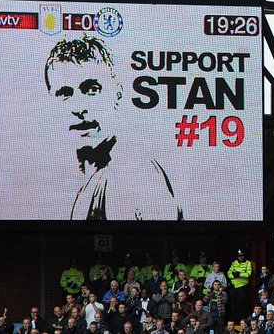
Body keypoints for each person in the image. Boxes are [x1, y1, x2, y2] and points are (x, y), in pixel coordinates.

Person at [44, 36, 182, 220]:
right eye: (64, 93)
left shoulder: (132, 175)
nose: (78, 107)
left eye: (92, 89)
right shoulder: (88, 179)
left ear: (117, 94)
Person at [227, 249, 254, 322]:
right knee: (233, 305)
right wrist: (235, 276)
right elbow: (229, 274)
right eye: (239, 256)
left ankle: (242, 321)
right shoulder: (234, 263)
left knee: (242, 305)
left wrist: (238, 274)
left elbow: (248, 274)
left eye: (242, 256)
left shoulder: (248, 263)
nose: (241, 257)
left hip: (243, 287)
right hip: (234, 287)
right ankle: (234, 321)